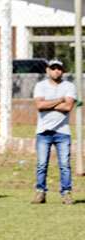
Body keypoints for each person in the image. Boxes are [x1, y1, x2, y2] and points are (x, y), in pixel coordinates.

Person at [31, 58, 77, 205]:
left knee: (64, 164)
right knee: (42, 164)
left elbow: (68, 107)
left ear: (62, 70)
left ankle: (66, 193)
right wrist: (60, 100)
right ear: (48, 70)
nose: (56, 71)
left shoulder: (69, 86)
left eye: (59, 68)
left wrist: (48, 104)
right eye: (53, 68)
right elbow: (39, 105)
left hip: (62, 131)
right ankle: (40, 193)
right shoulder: (40, 86)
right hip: (43, 131)